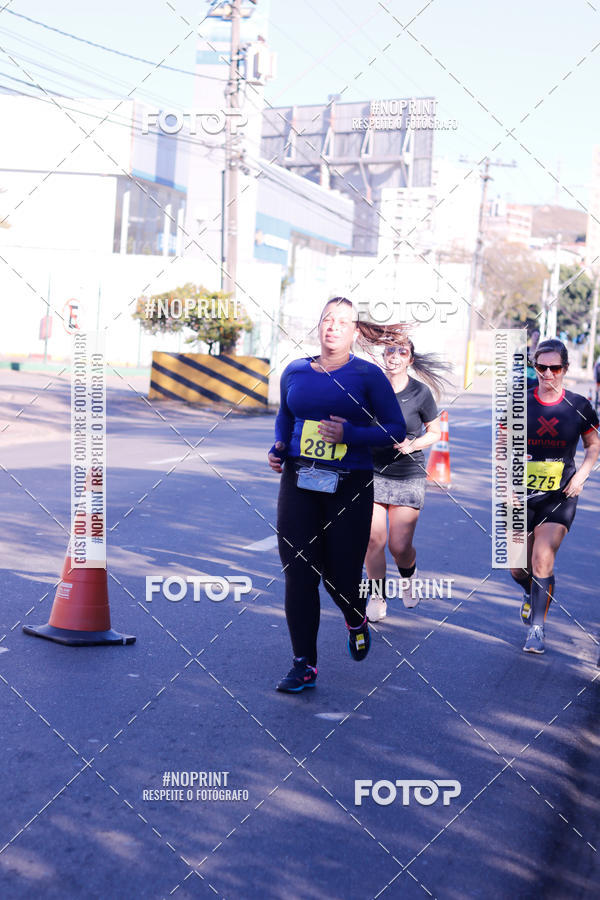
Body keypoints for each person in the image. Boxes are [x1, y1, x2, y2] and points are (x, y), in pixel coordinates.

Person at [268, 298, 407, 692]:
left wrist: (351, 434)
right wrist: (279, 446)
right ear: (319, 325)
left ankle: (356, 618)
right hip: (299, 479)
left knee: (341, 577)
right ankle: (304, 665)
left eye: (342, 322)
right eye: (327, 319)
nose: (332, 327)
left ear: (354, 332)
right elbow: (286, 416)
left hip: (349, 484)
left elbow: (396, 429)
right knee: (299, 571)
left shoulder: (368, 375)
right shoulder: (295, 370)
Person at [509, 338, 600, 654]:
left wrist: (582, 475)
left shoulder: (579, 405)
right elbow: (503, 447)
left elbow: (593, 446)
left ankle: (537, 628)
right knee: (518, 568)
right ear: (535, 367)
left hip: (560, 494)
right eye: (542, 367)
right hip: (522, 494)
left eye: (555, 368)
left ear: (565, 368)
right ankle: (530, 591)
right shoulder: (520, 402)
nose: (548, 373)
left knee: (542, 557)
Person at [364, 336, 450, 621]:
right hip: (372, 472)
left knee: (399, 546)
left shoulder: (419, 392)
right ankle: (377, 596)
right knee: (373, 540)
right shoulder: (371, 388)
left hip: (407, 474)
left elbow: (435, 432)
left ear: (410, 359)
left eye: (402, 352)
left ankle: (408, 575)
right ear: (383, 355)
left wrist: (413, 445)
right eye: (390, 350)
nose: (395, 355)